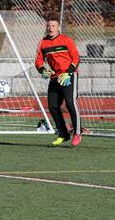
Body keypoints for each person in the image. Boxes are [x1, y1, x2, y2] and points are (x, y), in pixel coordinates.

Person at [35, 16, 82, 146]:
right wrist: (43, 70)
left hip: (69, 76)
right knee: (53, 106)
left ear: (58, 28)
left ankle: (78, 133)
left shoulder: (66, 40)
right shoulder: (42, 42)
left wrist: (69, 72)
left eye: (53, 26)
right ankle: (63, 134)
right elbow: (38, 60)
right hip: (55, 77)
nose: (50, 28)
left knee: (70, 103)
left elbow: (76, 58)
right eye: (48, 26)